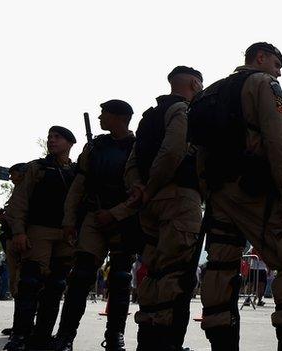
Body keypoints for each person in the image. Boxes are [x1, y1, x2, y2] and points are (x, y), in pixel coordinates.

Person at [196, 43, 282, 351]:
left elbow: (199, 150)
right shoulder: (263, 83)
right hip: (256, 191)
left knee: (220, 272)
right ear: (260, 58)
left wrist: (209, 193)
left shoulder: (211, 92)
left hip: (219, 195)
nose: (279, 70)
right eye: (276, 62)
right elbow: (278, 140)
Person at [124, 66, 204, 350]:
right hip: (178, 200)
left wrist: (140, 189)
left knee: (153, 273)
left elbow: (132, 162)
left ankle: (147, 342)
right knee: (176, 276)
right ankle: (167, 344)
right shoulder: (183, 110)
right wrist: (153, 185)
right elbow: (173, 151)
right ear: (195, 83)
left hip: (149, 204)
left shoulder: (149, 116)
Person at [53, 99, 141, 351]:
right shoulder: (94, 147)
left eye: (105, 114)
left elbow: (140, 192)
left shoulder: (138, 147)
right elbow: (78, 186)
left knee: (121, 278)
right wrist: (69, 221)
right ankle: (65, 336)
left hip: (124, 218)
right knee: (80, 276)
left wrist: (115, 213)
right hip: (93, 215)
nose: (100, 118)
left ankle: (115, 336)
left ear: (119, 117)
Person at [4, 126, 77, 351]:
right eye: (50, 137)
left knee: (55, 287)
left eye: (57, 137)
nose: (52, 141)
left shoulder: (76, 171)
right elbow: (20, 202)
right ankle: (21, 335)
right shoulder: (37, 168)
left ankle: (43, 335)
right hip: (39, 232)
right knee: (30, 283)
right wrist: (18, 232)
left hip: (66, 235)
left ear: (70, 143)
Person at [0, 162, 28, 336]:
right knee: (16, 286)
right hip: (12, 240)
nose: (11, 177)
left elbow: (22, 217)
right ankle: (20, 324)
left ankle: (25, 326)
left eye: (14, 174)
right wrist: (2, 216)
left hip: (23, 242)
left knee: (24, 284)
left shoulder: (28, 191)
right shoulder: (18, 192)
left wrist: (1, 217)